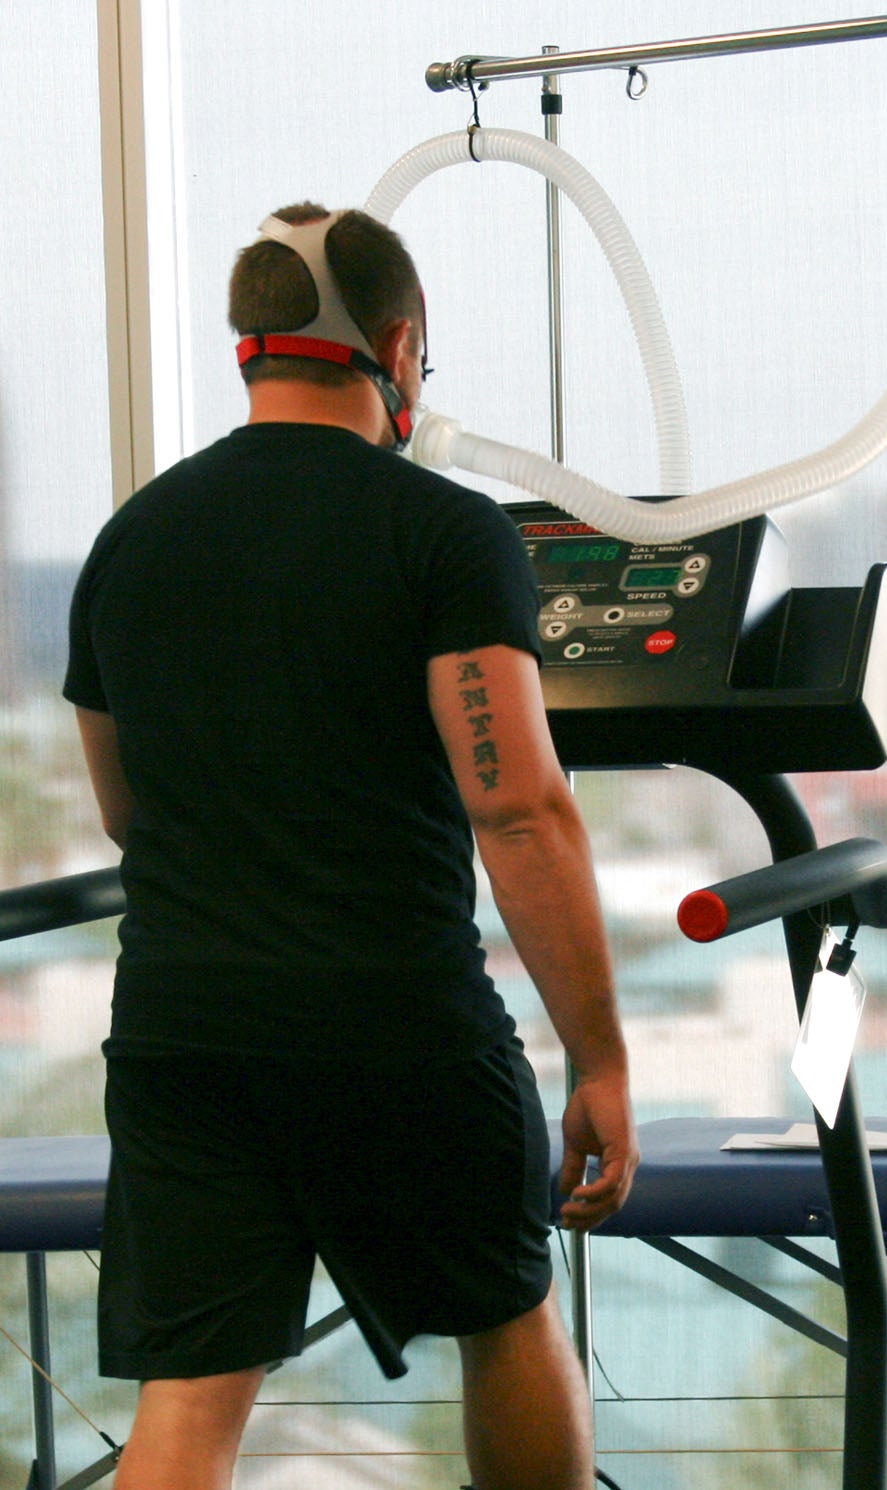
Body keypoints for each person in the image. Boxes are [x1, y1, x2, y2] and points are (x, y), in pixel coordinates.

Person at [64, 203, 636, 1490]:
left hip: (183, 1027)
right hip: (393, 1022)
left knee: (191, 1395)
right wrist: (599, 1056)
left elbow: (123, 807)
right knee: (505, 1318)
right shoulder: (444, 532)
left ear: (247, 353)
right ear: (401, 346)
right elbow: (519, 810)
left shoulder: (132, 541)